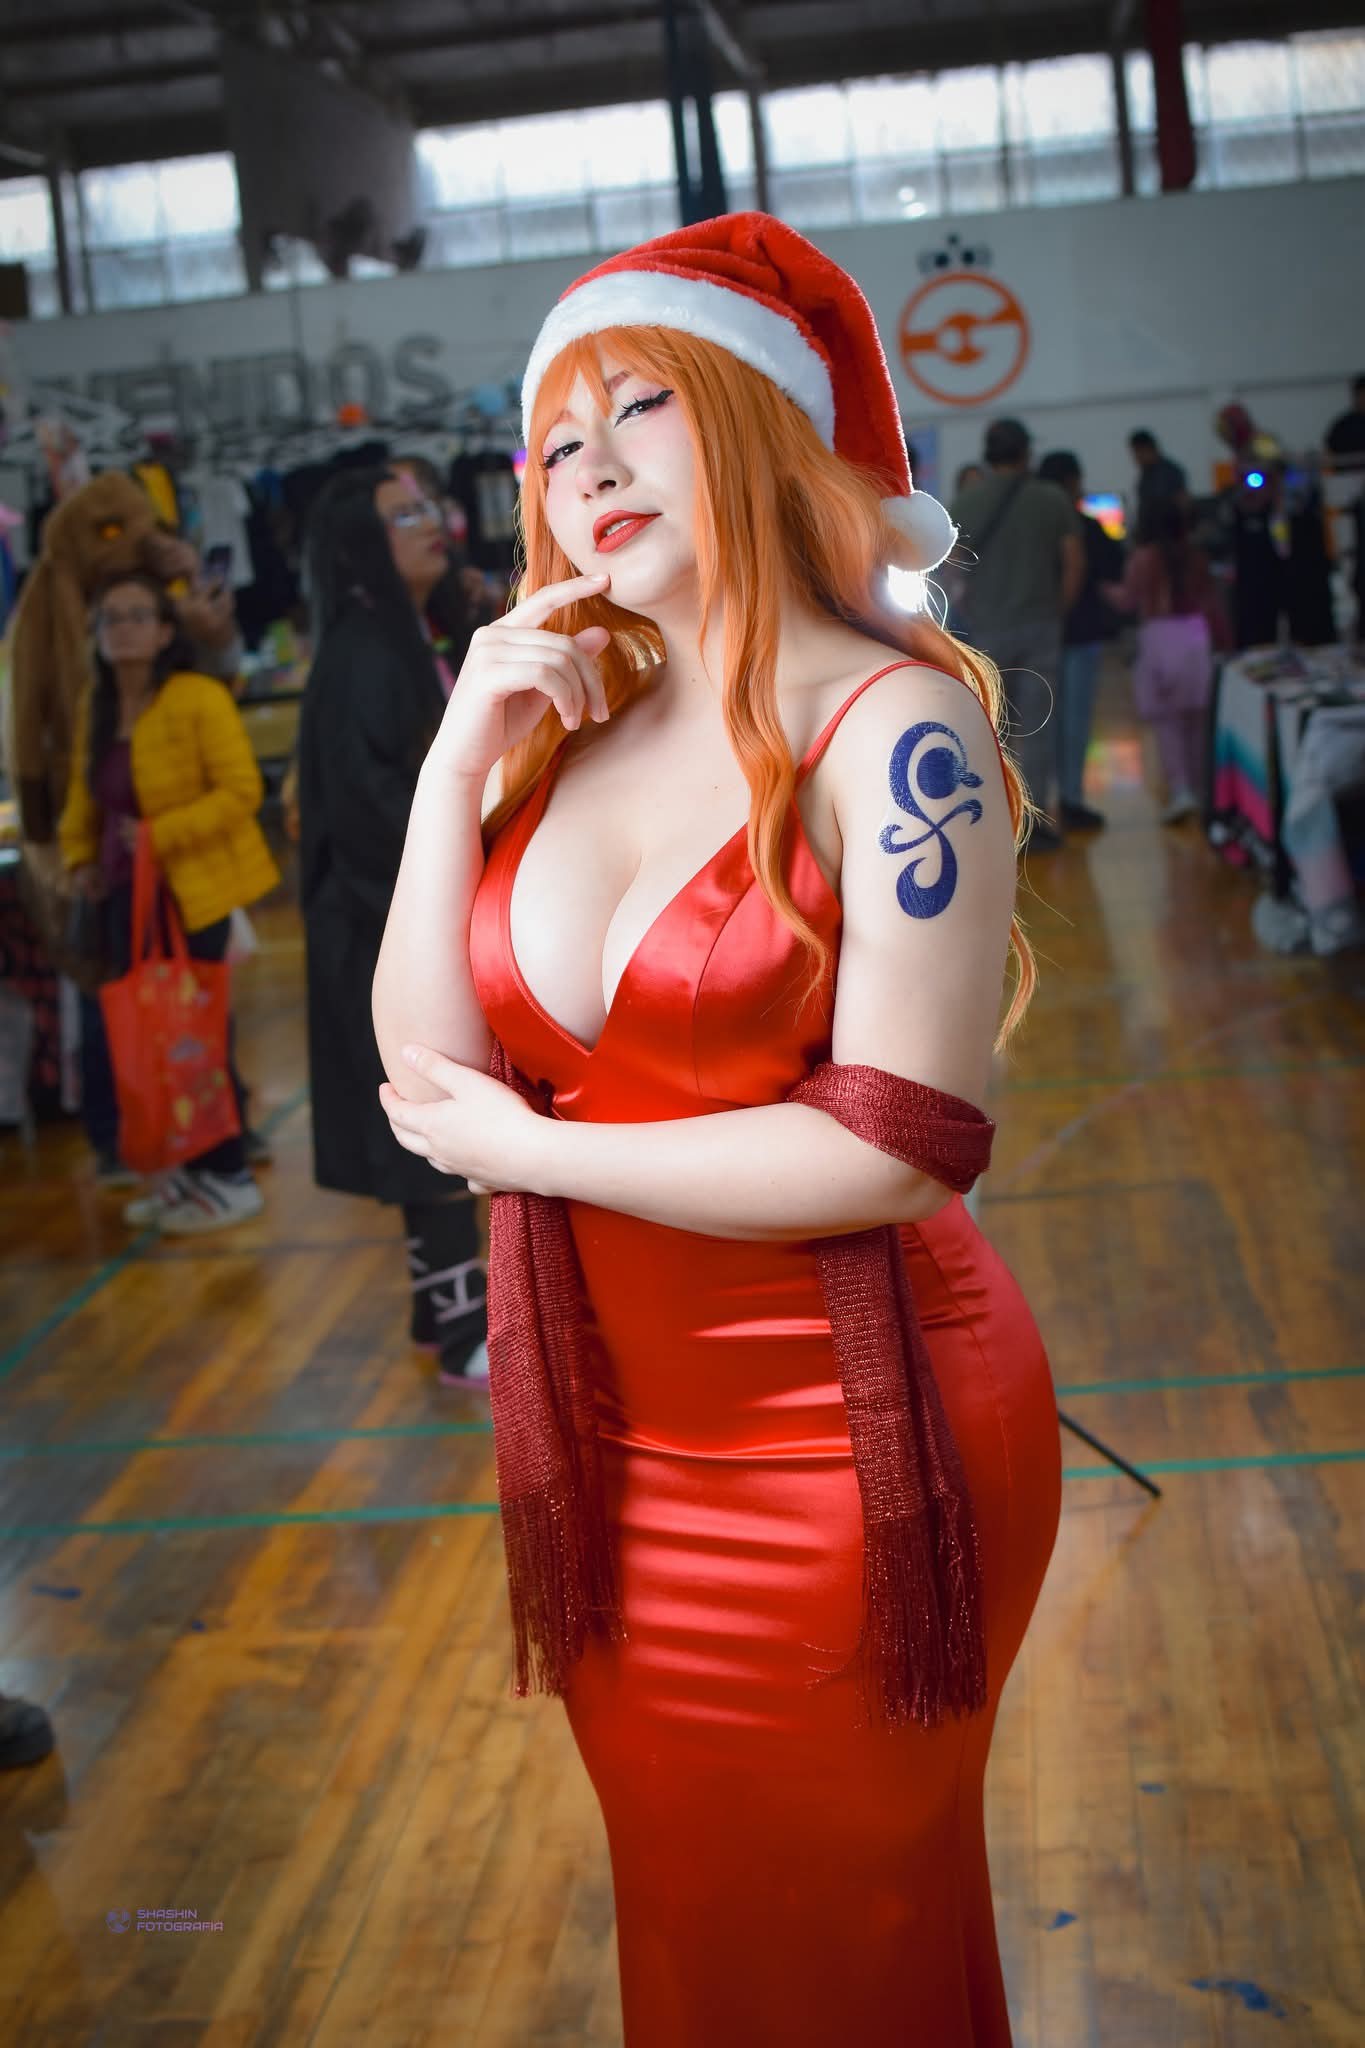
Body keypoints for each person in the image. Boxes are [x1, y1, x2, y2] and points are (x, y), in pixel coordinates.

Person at [373, 212, 1062, 2044]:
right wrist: (454, 762)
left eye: (643, 410)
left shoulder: (898, 729)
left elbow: (897, 1145)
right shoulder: (562, 738)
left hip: (859, 1448)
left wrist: (541, 1155)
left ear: (763, 422)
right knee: (693, 1922)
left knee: (850, 1926)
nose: (592, 471)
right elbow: (427, 1069)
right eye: (557, 445)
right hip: (615, 1453)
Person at [296, 467, 488, 1384]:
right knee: (427, 1119)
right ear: (360, 549)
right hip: (380, 924)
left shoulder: (413, 633)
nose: (428, 522)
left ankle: (435, 1315)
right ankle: (461, 1330)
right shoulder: (365, 653)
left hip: (398, 915)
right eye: (401, 515)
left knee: (431, 1112)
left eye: (425, 506)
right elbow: (374, 811)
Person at [59, 573, 277, 1232]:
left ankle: (228, 1176)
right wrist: (80, 860)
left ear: (162, 633)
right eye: (110, 618)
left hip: (192, 900)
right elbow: (85, 799)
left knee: (196, 1041)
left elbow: (241, 790)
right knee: (145, 1045)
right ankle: (181, 1178)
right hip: (123, 902)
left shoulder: (197, 697)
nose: (121, 629)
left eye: (136, 616)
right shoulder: (98, 705)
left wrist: (159, 834)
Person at [950, 417, 1084, 847]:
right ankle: (1036, 821)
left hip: (988, 630)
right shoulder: (1051, 499)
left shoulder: (966, 502)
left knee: (994, 729)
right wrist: (1057, 610)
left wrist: (970, 612)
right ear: (1027, 452)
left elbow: (951, 570)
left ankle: (996, 822)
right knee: (1039, 726)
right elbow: (1073, 560)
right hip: (1041, 624)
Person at [1103, 498, 1228, 823]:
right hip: (1196, 636)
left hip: (1159, 637)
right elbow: (1212, 603)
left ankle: (1181, 789)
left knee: (1167, 723)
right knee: (1197, 721)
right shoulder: (1196, 557)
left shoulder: (1144, 559)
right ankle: (1201, 790)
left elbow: (1127, 600)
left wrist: (1103, 590)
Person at [1037, 450, 1125, 831]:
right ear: (1073, 482)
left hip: (1036, 634)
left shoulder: (1033, 527)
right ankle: (1071, 799)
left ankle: (1038, 803)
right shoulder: (1085, 527)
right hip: (1080, 633)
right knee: (1075, 720)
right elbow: (1114, 566)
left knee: (1041, 722)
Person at [1128, 428, 1189, 543]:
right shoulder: (1145, 476)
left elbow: (1181, 506)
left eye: (1137, 453)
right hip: (1151, 539)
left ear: (1147, 449)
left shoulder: (1169, 473)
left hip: (1168, 539)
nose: (1135, 458)